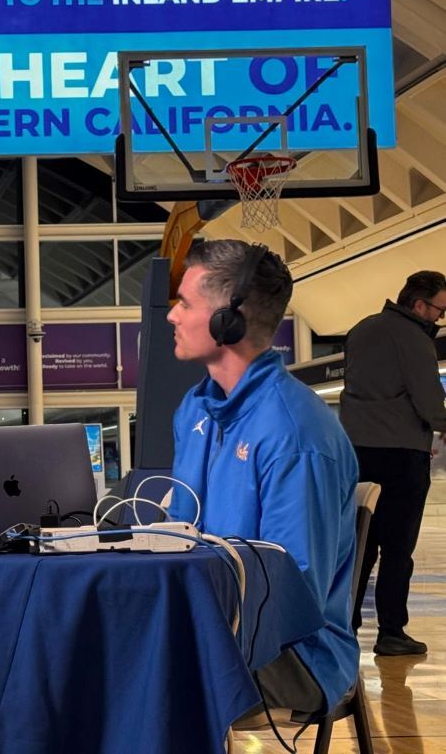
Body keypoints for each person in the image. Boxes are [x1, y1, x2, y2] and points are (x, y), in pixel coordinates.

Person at [165, 240, 358, 715]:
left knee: (130, 675)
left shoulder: (294, 436)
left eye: (186, 303)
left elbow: (289, 596)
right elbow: (174, 537)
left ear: (225, 321)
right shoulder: (197, 410)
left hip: (295, 654)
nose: (172, 315)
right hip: (210, 624)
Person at [341, 271, 446, 656]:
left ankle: (344, 623)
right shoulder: (415, 340)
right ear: (420, 305)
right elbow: (430, 401)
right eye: (440, 310)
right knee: (397, 549)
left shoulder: (361, 330)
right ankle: (391, 632)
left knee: (360, 545)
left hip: (357, 455)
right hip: (401, 457)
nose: (439, 319)